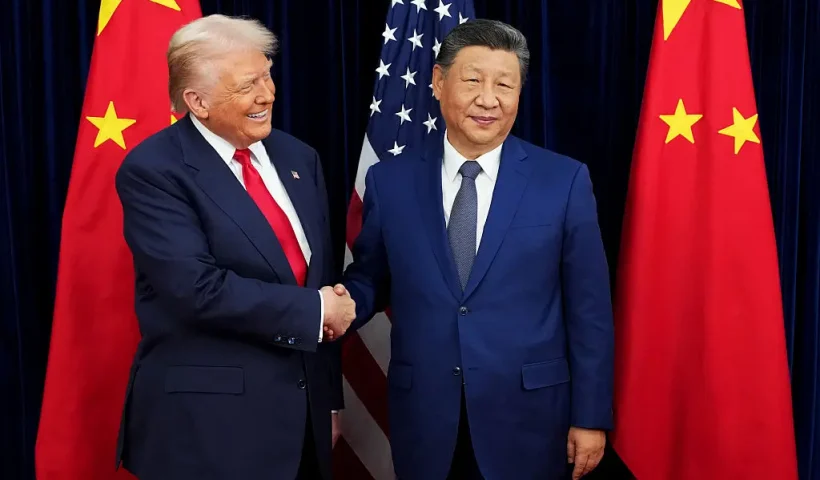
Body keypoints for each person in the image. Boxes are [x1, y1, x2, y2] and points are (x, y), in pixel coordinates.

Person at [335, 19, 614, 480]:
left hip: (529, 418)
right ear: (439, 83)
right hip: (425, 413)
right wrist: (341, 304)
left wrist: (591, 416)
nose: (489, 99)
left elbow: (590, 310)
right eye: (472, 81)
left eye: (505, 84)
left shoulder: (563, 181)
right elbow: (372, 276)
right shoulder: (390, 181)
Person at [113, 15, 354, 480]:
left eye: (267, 74)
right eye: (248, 85)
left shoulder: (299, 157)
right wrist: (316, 311)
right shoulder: (154, 170)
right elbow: (195, 289)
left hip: (301, 425)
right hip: (209, 432)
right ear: (197, 102)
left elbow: (315, 279)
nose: (267, 94)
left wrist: (328, 400)